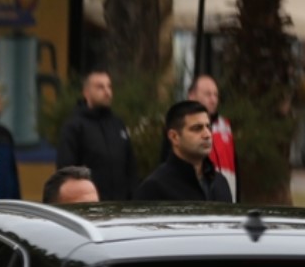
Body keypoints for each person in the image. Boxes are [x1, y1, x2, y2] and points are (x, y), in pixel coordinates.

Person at [57, 70, 138, 200]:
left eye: (109, 86)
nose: (107, 92)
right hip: (89, 208)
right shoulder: (74, 126)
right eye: (100, 87)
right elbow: (66, 172)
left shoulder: (118, 124)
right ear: (86, 93)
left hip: (120, 208)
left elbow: (131, 167)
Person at [135, 100, 234, 202]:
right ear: (174, 137)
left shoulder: (220, 183)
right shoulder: (154, 188)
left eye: (208, 127)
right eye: (197, 128)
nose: (207, 134)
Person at [188, 74, 237, 200]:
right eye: (208, 94)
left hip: (225, 197)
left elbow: (234, 166)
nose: (213, 99)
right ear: (192, 96)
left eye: (216, 95)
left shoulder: (225, 125)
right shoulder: (182, 127)